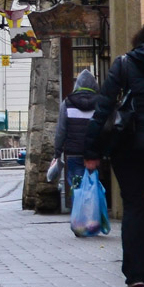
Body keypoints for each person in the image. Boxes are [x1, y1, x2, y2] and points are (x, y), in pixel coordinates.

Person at [85, 14, 144, 287]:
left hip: (129, 147)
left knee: (135, 207)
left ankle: (137, 275)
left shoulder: (125, 63)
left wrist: (91, 151)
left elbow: (103, 108)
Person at [54, 68, 98, 198]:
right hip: (93, 153)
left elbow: (61, 130)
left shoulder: (67, 103)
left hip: (73, 153)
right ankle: (92, 214)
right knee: (92, 185)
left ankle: (79, 214)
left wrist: (57, 152)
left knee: (76, 186)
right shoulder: (99, 103)